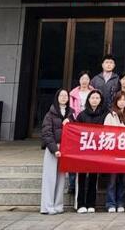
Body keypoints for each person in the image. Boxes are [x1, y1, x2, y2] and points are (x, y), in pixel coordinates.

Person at [74, 90, 108, 213]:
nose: (94, 100)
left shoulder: (105, 114)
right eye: (92, 97)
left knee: (93, 177)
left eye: (97, 98)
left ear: (100, 100)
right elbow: (76, 131)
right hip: (84, 150)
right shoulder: (82, 115)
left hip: (97, 150)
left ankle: (91, 203)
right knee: (82, 177)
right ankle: (81, 204)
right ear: (88, 100)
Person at [40, 87, 71, 215]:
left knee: (61, 178)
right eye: (61, 96)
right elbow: (46, 133)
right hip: (53, 148)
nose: (64, 98)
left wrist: (70, 122)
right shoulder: (50, 114)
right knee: (50, 177)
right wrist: (54, 149)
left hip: (66, 149)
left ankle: (58, 205)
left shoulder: (71, 113)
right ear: (57, 98)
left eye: (66, 96)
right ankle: (47, 206)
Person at [103, 91, 125, 212]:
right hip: (113, 152)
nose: (122, 102)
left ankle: (120, 202)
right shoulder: (110, 115)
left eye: (124, 100)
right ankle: (111, 203)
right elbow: (106, 133)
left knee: (123, 180)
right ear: (116, 101)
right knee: (112, 180)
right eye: (119, 100)